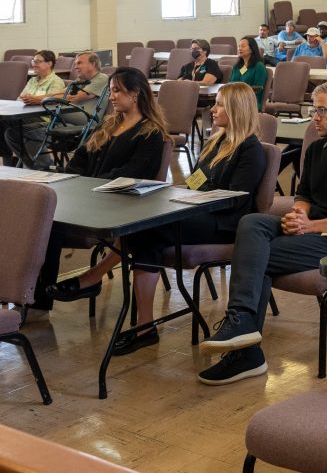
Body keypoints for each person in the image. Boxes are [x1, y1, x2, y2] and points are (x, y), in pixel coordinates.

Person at [48, 83, 267, 354]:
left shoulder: (250, 150)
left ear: (236, 110)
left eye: (220, 104)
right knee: (145, 231)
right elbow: (196, 182)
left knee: (147, 226)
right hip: (197, 210)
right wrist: (178, 193)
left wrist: (189, 200)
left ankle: (96, 278)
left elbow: (235, 201)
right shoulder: (217, 141)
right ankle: (144, 326)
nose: (213, 108)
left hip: (224, 224)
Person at [197, 81, 327, 385]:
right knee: (252, 222)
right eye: (314, 110)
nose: (315, 116)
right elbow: (304, 195)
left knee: (256, 255)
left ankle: (245, 345)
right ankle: (243, 327)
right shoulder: (315, 150)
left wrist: (311, 226)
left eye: (322, 110)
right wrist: (299, 216)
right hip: (311, 229)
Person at [29, 67, 170, 312]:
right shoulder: (109, 124)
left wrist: (85, 188)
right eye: (111, 91)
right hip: (88, 197)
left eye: (117, 91)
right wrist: (64, 179)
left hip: (115, 204)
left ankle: (40, 298)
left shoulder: (151, 133)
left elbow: (131, 174)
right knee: (39, 216)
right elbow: (80, 160)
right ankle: (33, 294)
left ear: (135, 93)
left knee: (49, 223)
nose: (112, 97)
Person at [5, 51, 107, 170]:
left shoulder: (101, 78)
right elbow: (59, 93)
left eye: (79, 63)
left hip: (83, 125)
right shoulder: (79, 81)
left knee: (27, 132)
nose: (75, 66)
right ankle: (38, 168)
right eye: (75, 63)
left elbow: (75, 98)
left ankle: (43, 167)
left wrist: (40, 100)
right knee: (12, 134)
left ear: (93, 64)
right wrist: (37, 98)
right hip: (60, 121)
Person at [228, 36, 269, 110]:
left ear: (251, 49)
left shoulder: (259, 66)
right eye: (239, 46)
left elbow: (258, 88)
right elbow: (230, 83)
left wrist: (239, 96)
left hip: (251, 101)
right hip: (234, 98)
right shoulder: (237, 66)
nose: (239, 48)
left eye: (243, 46)